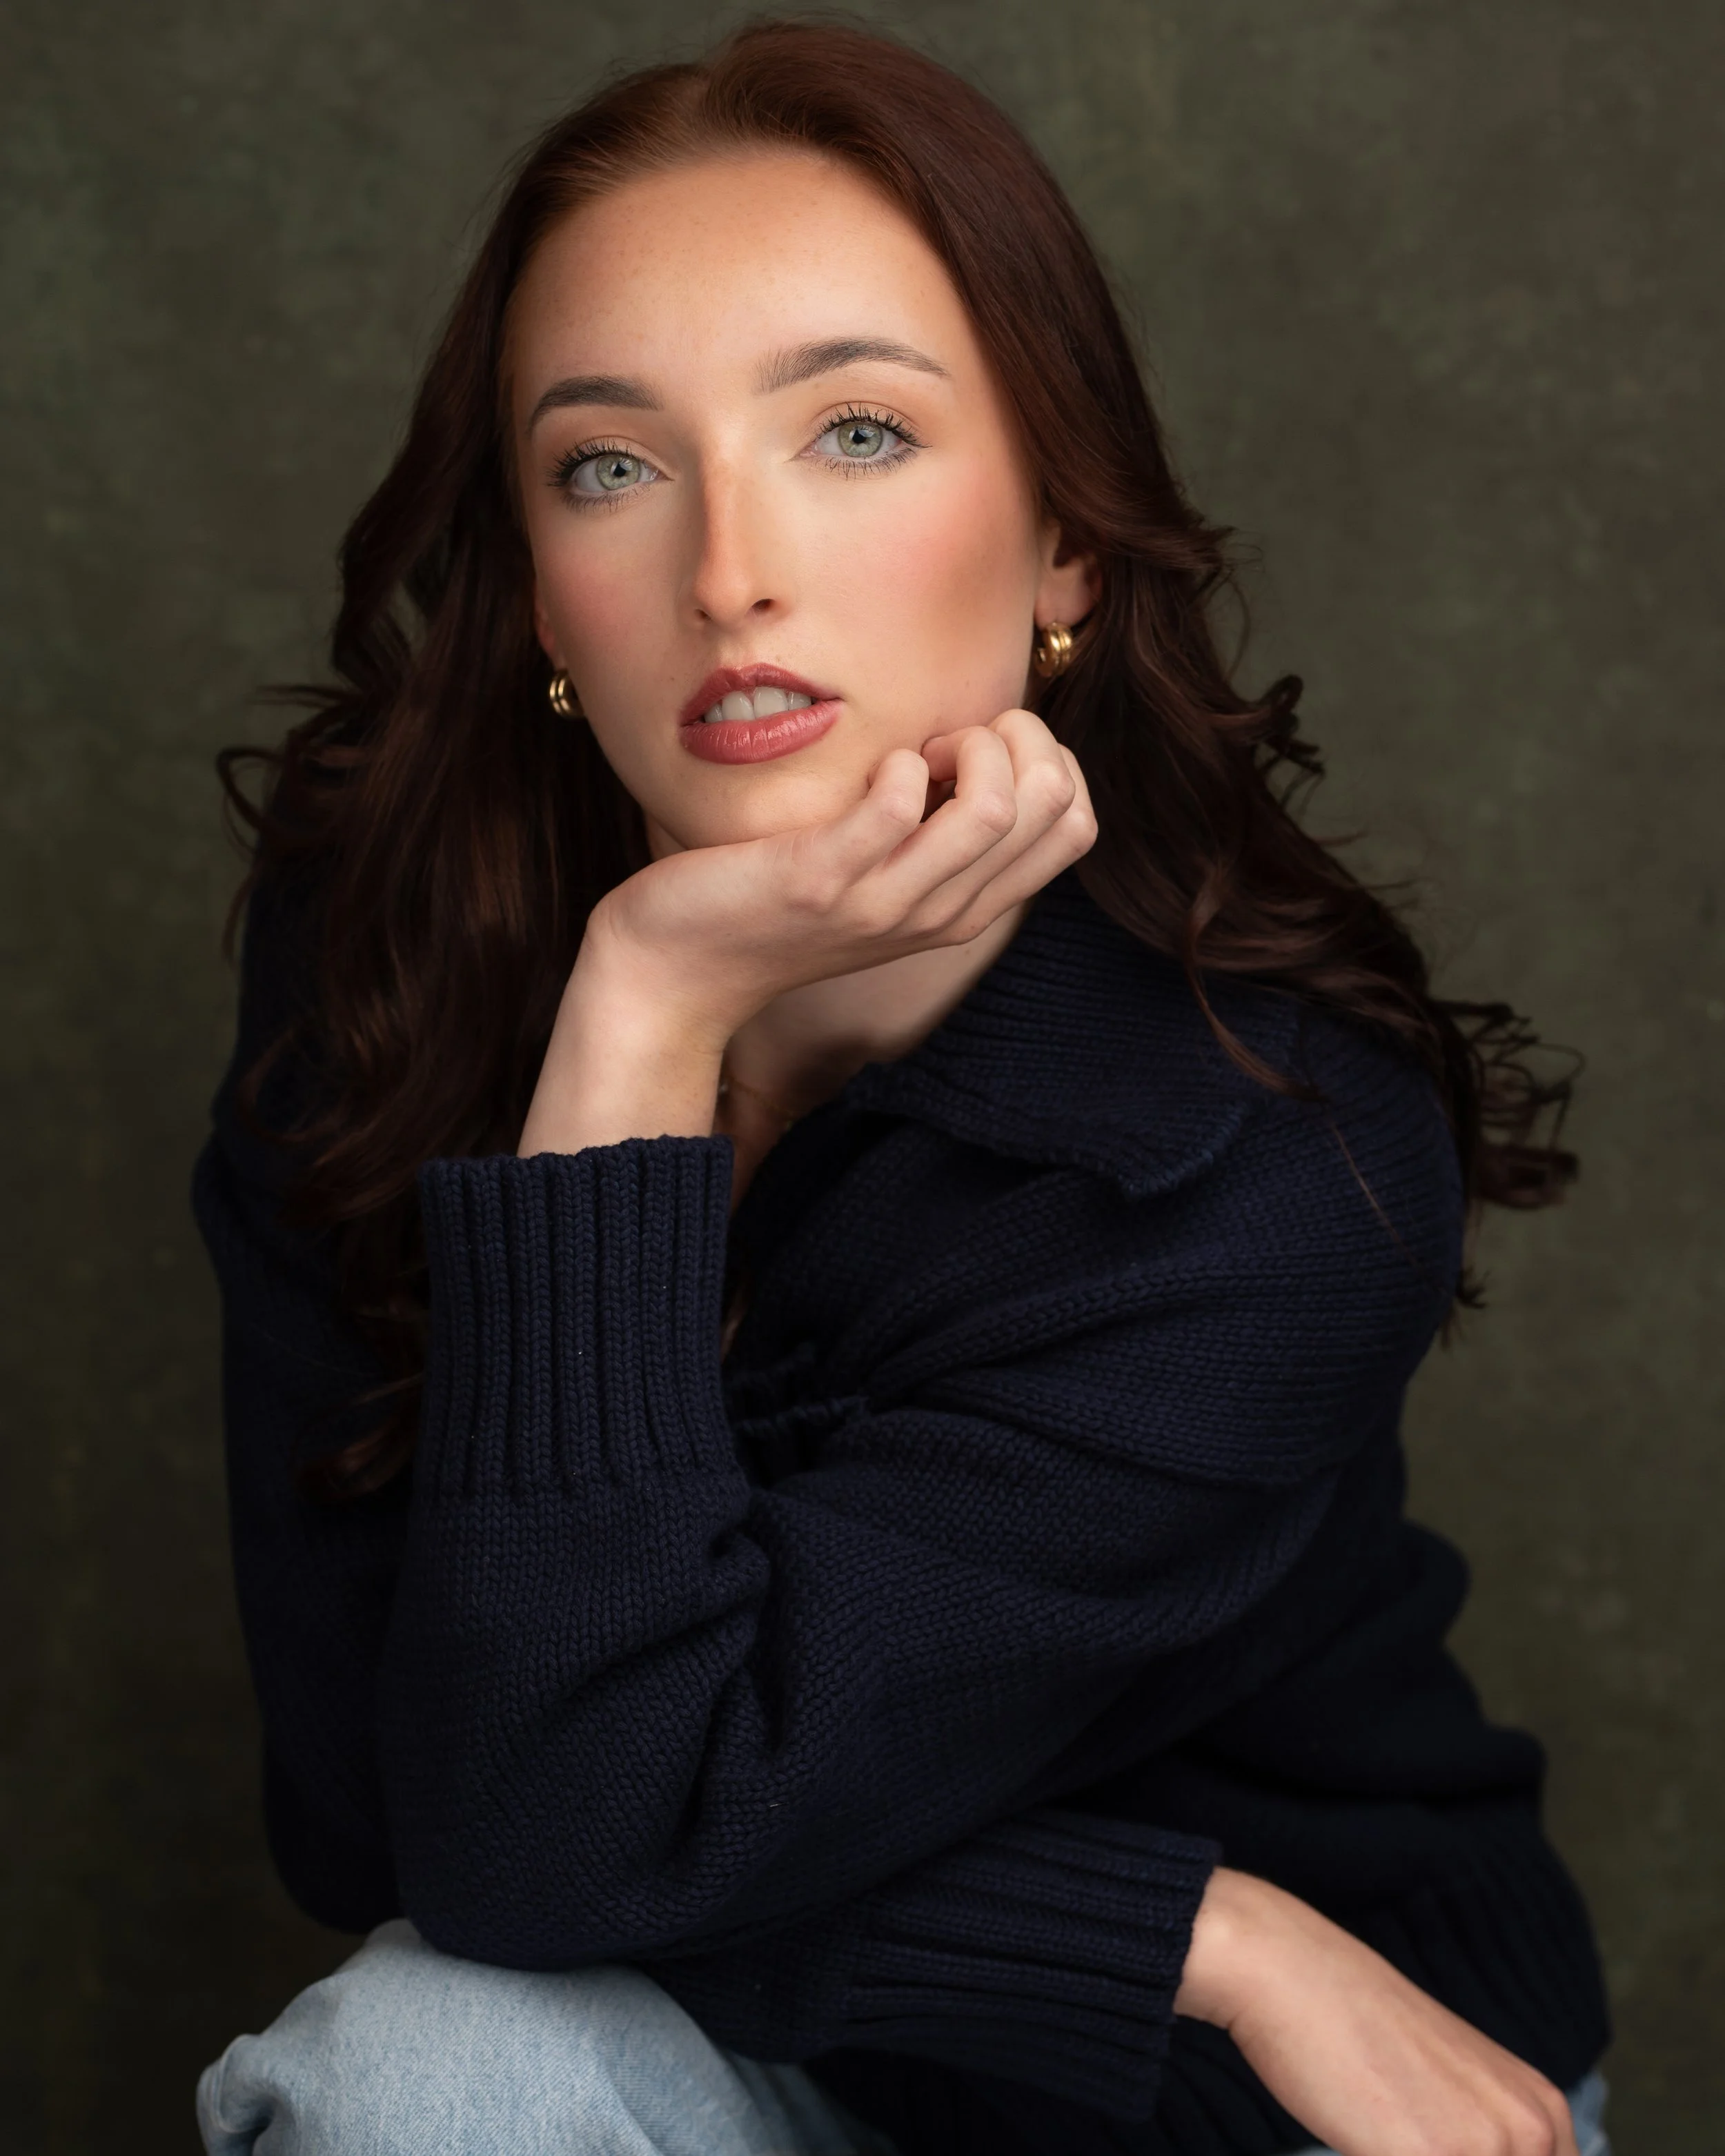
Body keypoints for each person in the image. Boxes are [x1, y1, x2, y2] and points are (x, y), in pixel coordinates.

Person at [190, 21, 1611, 2156]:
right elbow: (412, 1817)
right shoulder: (383, 968)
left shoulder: (1265, 1147)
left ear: (1060, 551)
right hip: (743, 2044)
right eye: (608, 463)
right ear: (545, 603)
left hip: (1256, 2104)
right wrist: (641, 1022)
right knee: (433, 2056)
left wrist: (1195, 1968)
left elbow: (569, 1823)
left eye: (854, 432)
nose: (726, 569)